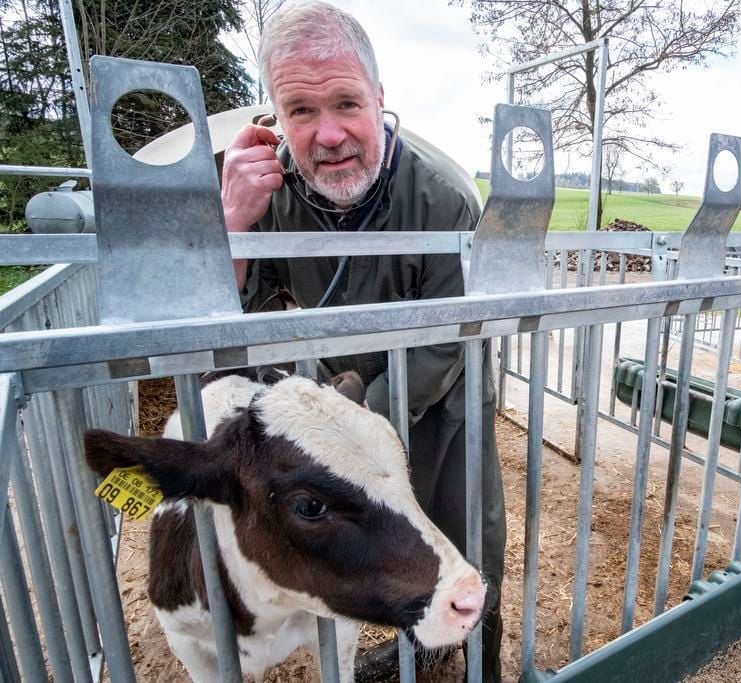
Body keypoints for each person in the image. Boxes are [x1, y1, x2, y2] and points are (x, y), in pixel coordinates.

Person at [218, 1, 506, 680]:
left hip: (439, 397)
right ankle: (410, 645)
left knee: (463, 525)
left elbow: (446, 342)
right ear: (275, 116)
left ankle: (486, 662)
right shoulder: (271, 193)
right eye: (301, 111)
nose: (328, 135)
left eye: (346, 102)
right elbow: (242, 321)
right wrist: (229, 228)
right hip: (344, 397)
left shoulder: (443, 199)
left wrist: (360, 423)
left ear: (379, 99)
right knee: (373, 539)